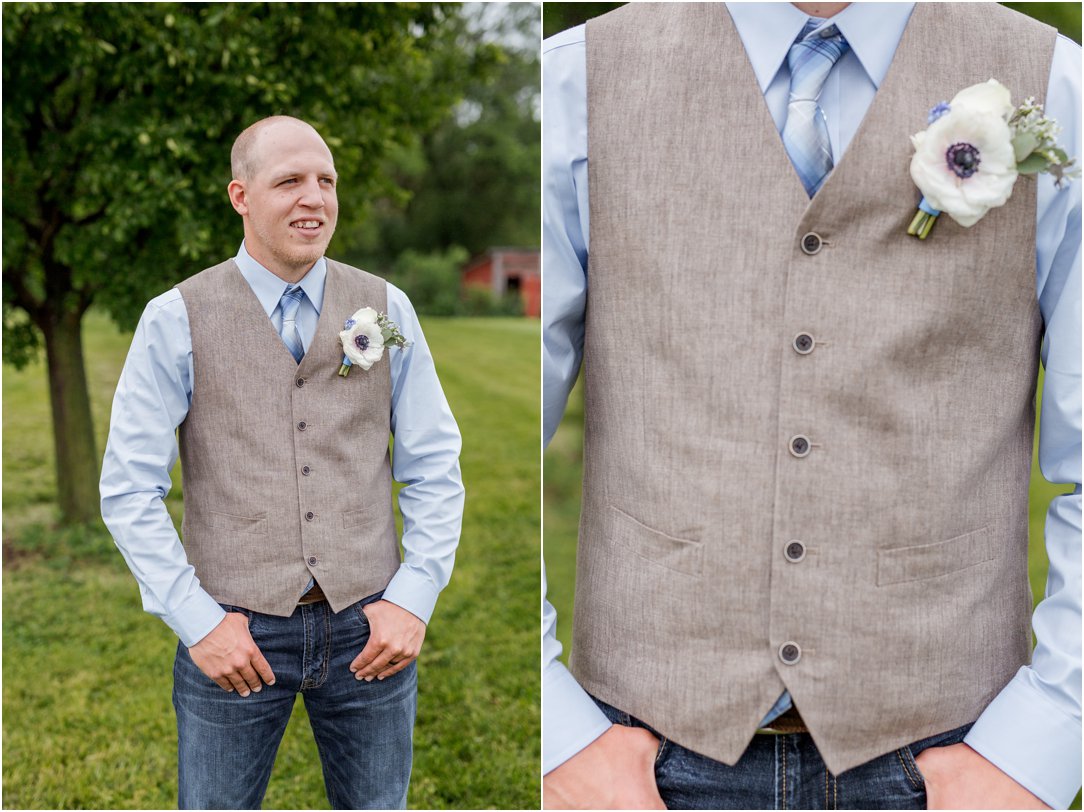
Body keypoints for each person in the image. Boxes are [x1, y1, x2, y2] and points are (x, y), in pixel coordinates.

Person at [542, 2, 1080, 809]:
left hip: (955, 756)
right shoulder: (573, 80)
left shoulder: (1058, 85)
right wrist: (560, 742)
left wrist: (1044, 743)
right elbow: (493, 441)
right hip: (642, 759)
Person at [100, 115, 464, 810]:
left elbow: (433, 462)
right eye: (290, 180)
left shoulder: (383, 310)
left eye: (326, 181)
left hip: (370, 628)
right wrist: (199, 622)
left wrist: (413, 600)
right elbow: (128, 489)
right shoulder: (177, 317)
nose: (314, 198)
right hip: (234, 632)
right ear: (240, 196)